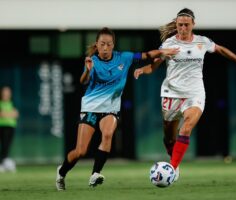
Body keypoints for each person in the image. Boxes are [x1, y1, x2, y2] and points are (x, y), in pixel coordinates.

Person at [134, 8, 236, 181]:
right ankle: (172, 158)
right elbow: (153, 66)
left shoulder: (202, 42)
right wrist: (142, 70)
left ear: (193, 24)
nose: (183, 28)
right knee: (169, 137)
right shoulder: (169, 44)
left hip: (195, 93)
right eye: (180, 25)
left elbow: (221, 50)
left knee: (186, 128)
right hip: (171, 93)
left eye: (186, 25)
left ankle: (172, 169)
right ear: (176, 25)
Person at [56, 27, 179, 191]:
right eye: (102, 44)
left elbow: (147, 55)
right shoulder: (92, 61)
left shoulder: (124, 58)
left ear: (113, 45)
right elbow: (83, 81)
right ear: (97, 45)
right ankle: (62, 172)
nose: (105, 48)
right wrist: (87, 70)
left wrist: (164, 52)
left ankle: (95, 174)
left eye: (108, 44)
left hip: (111, 109)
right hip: (91, 108)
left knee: (107, 134)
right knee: (80, 151)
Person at [0, 86, 19, 172]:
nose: (6, 94)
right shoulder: (1, 103)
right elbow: (2, 114)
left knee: (7, 146)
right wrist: (10, 114)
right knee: (3, 145)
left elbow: (16, 114)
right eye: (5, 92)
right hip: (2, 126)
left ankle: (4, 163)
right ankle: (2, 162)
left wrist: (7, 114)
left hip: (11, 127)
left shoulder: (12, 103)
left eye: (8, 92)